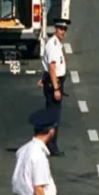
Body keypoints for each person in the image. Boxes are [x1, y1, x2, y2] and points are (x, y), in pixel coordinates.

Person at [37, 18, 69, 156]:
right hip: (54, 83)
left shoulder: (57, 44)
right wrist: (56, 88)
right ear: (55, 29)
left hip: (52, 81)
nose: (63, 32)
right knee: (53, 116)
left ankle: (48, 143)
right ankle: (50, 144)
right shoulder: (53, 45)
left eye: (65, 29)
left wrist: (43, 79)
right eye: (61, 29)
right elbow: (51, 67)